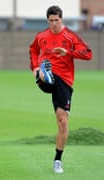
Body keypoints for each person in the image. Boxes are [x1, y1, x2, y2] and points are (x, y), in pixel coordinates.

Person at [29, 5, 92, 173]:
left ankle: (57, 160)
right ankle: (43, 74)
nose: (54, 24)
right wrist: (35, 68)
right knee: (45, 73)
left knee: (62, 122)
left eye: (56, 20)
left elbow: (88, 53)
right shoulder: (41, 36)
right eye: (51, 21)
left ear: (61, 19)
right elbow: (33, 49)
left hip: (64, 81)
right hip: (47, 77)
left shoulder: (70, 36)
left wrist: (69, 52)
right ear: (47, 20)